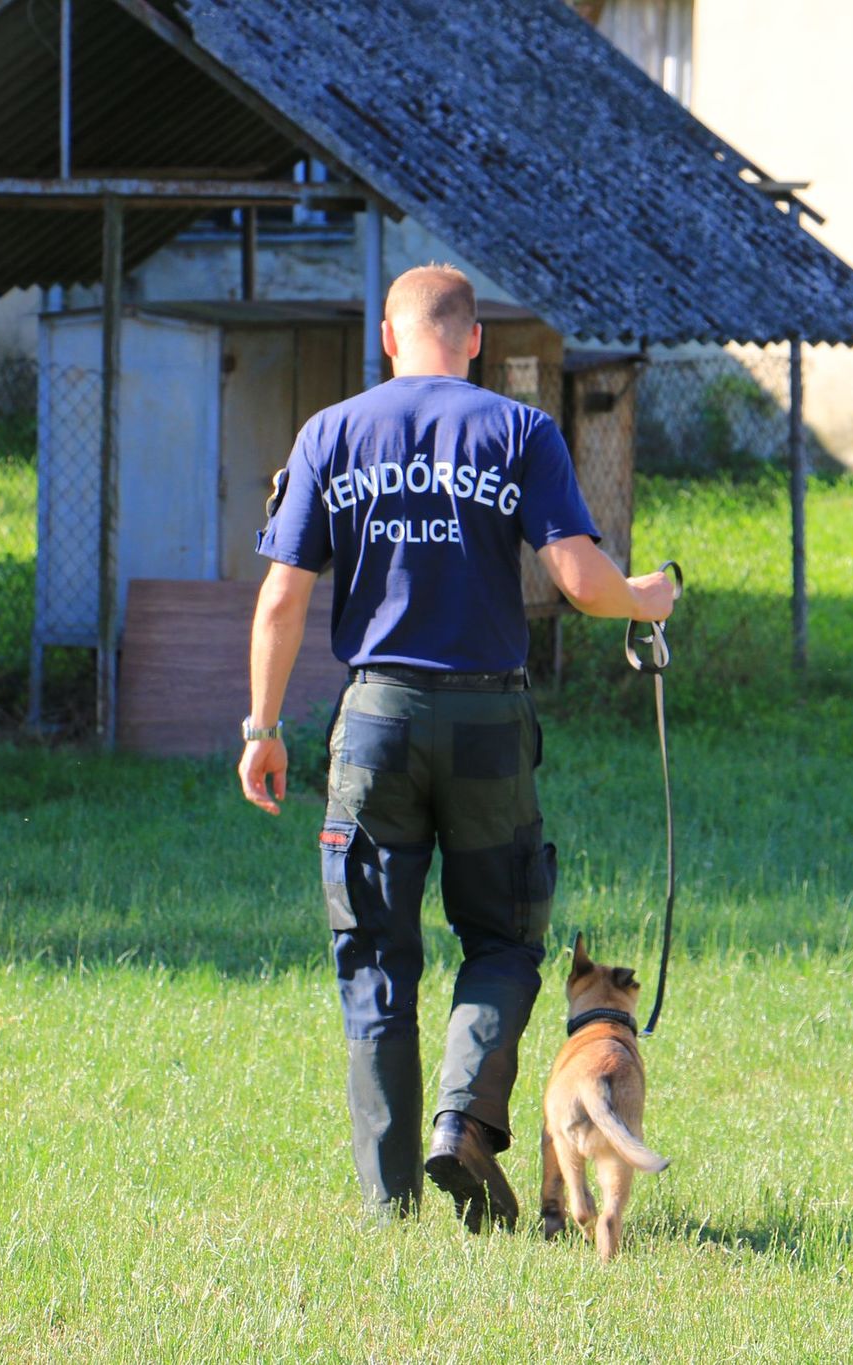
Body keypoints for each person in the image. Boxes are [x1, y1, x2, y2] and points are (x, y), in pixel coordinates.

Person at [238, 264, 677, 1229]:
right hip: (486, 720)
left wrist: (262, 728)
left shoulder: (331, 433)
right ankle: (464, 1120)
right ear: (473, 340)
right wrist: (647, 597)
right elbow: (578, 579)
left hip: (376, 722)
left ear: (388, 340)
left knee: (375, 958)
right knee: (506, 938)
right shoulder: (518, 430)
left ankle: (389, 1205)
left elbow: (280, 597)